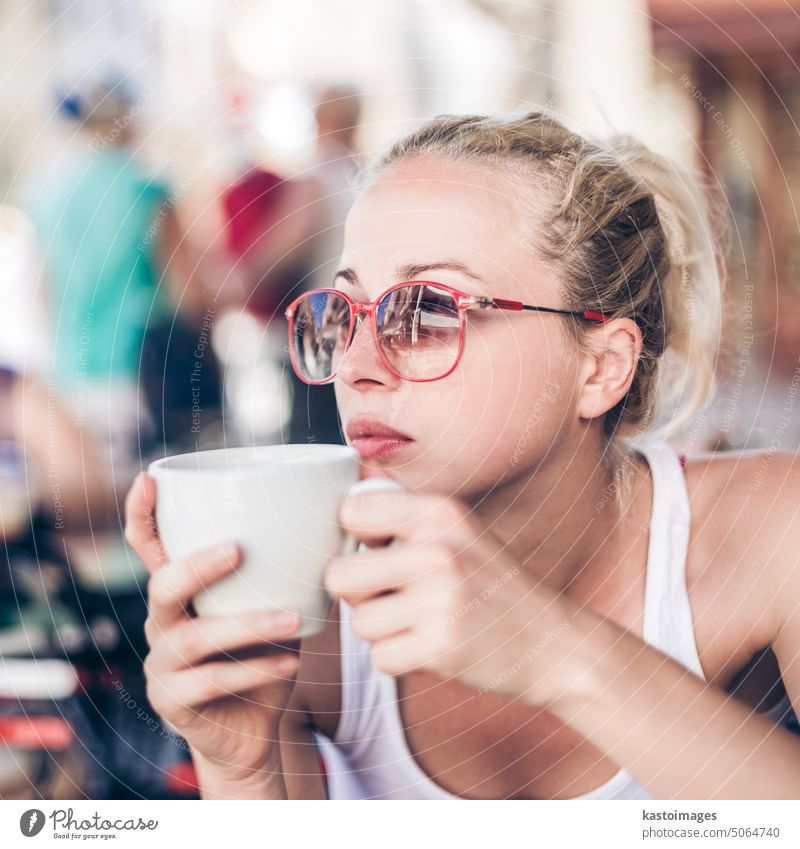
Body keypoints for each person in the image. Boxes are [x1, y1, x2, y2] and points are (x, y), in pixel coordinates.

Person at [125, 112, 800, 800]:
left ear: (601, 367)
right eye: (346, 313)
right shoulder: (307, 593)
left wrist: (555, 653)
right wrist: (241, 766)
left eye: (425, 311)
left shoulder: (768, 530)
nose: (355, 367)